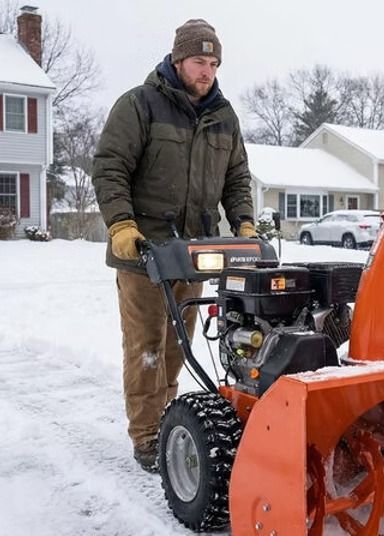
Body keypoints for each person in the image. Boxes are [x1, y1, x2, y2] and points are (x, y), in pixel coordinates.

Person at [92, 19, 257, 472]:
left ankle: (167, 421)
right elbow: (110, 167)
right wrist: (121, 225)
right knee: (146, 346)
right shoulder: (140, 105)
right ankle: (146, 437)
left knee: (174, 347)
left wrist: (244, 223)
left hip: (192, 254)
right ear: (178, 59)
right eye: (199, 61)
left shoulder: (225, 116)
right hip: (142, 252)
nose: (207, 71)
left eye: (214, 62)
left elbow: (237, 178)